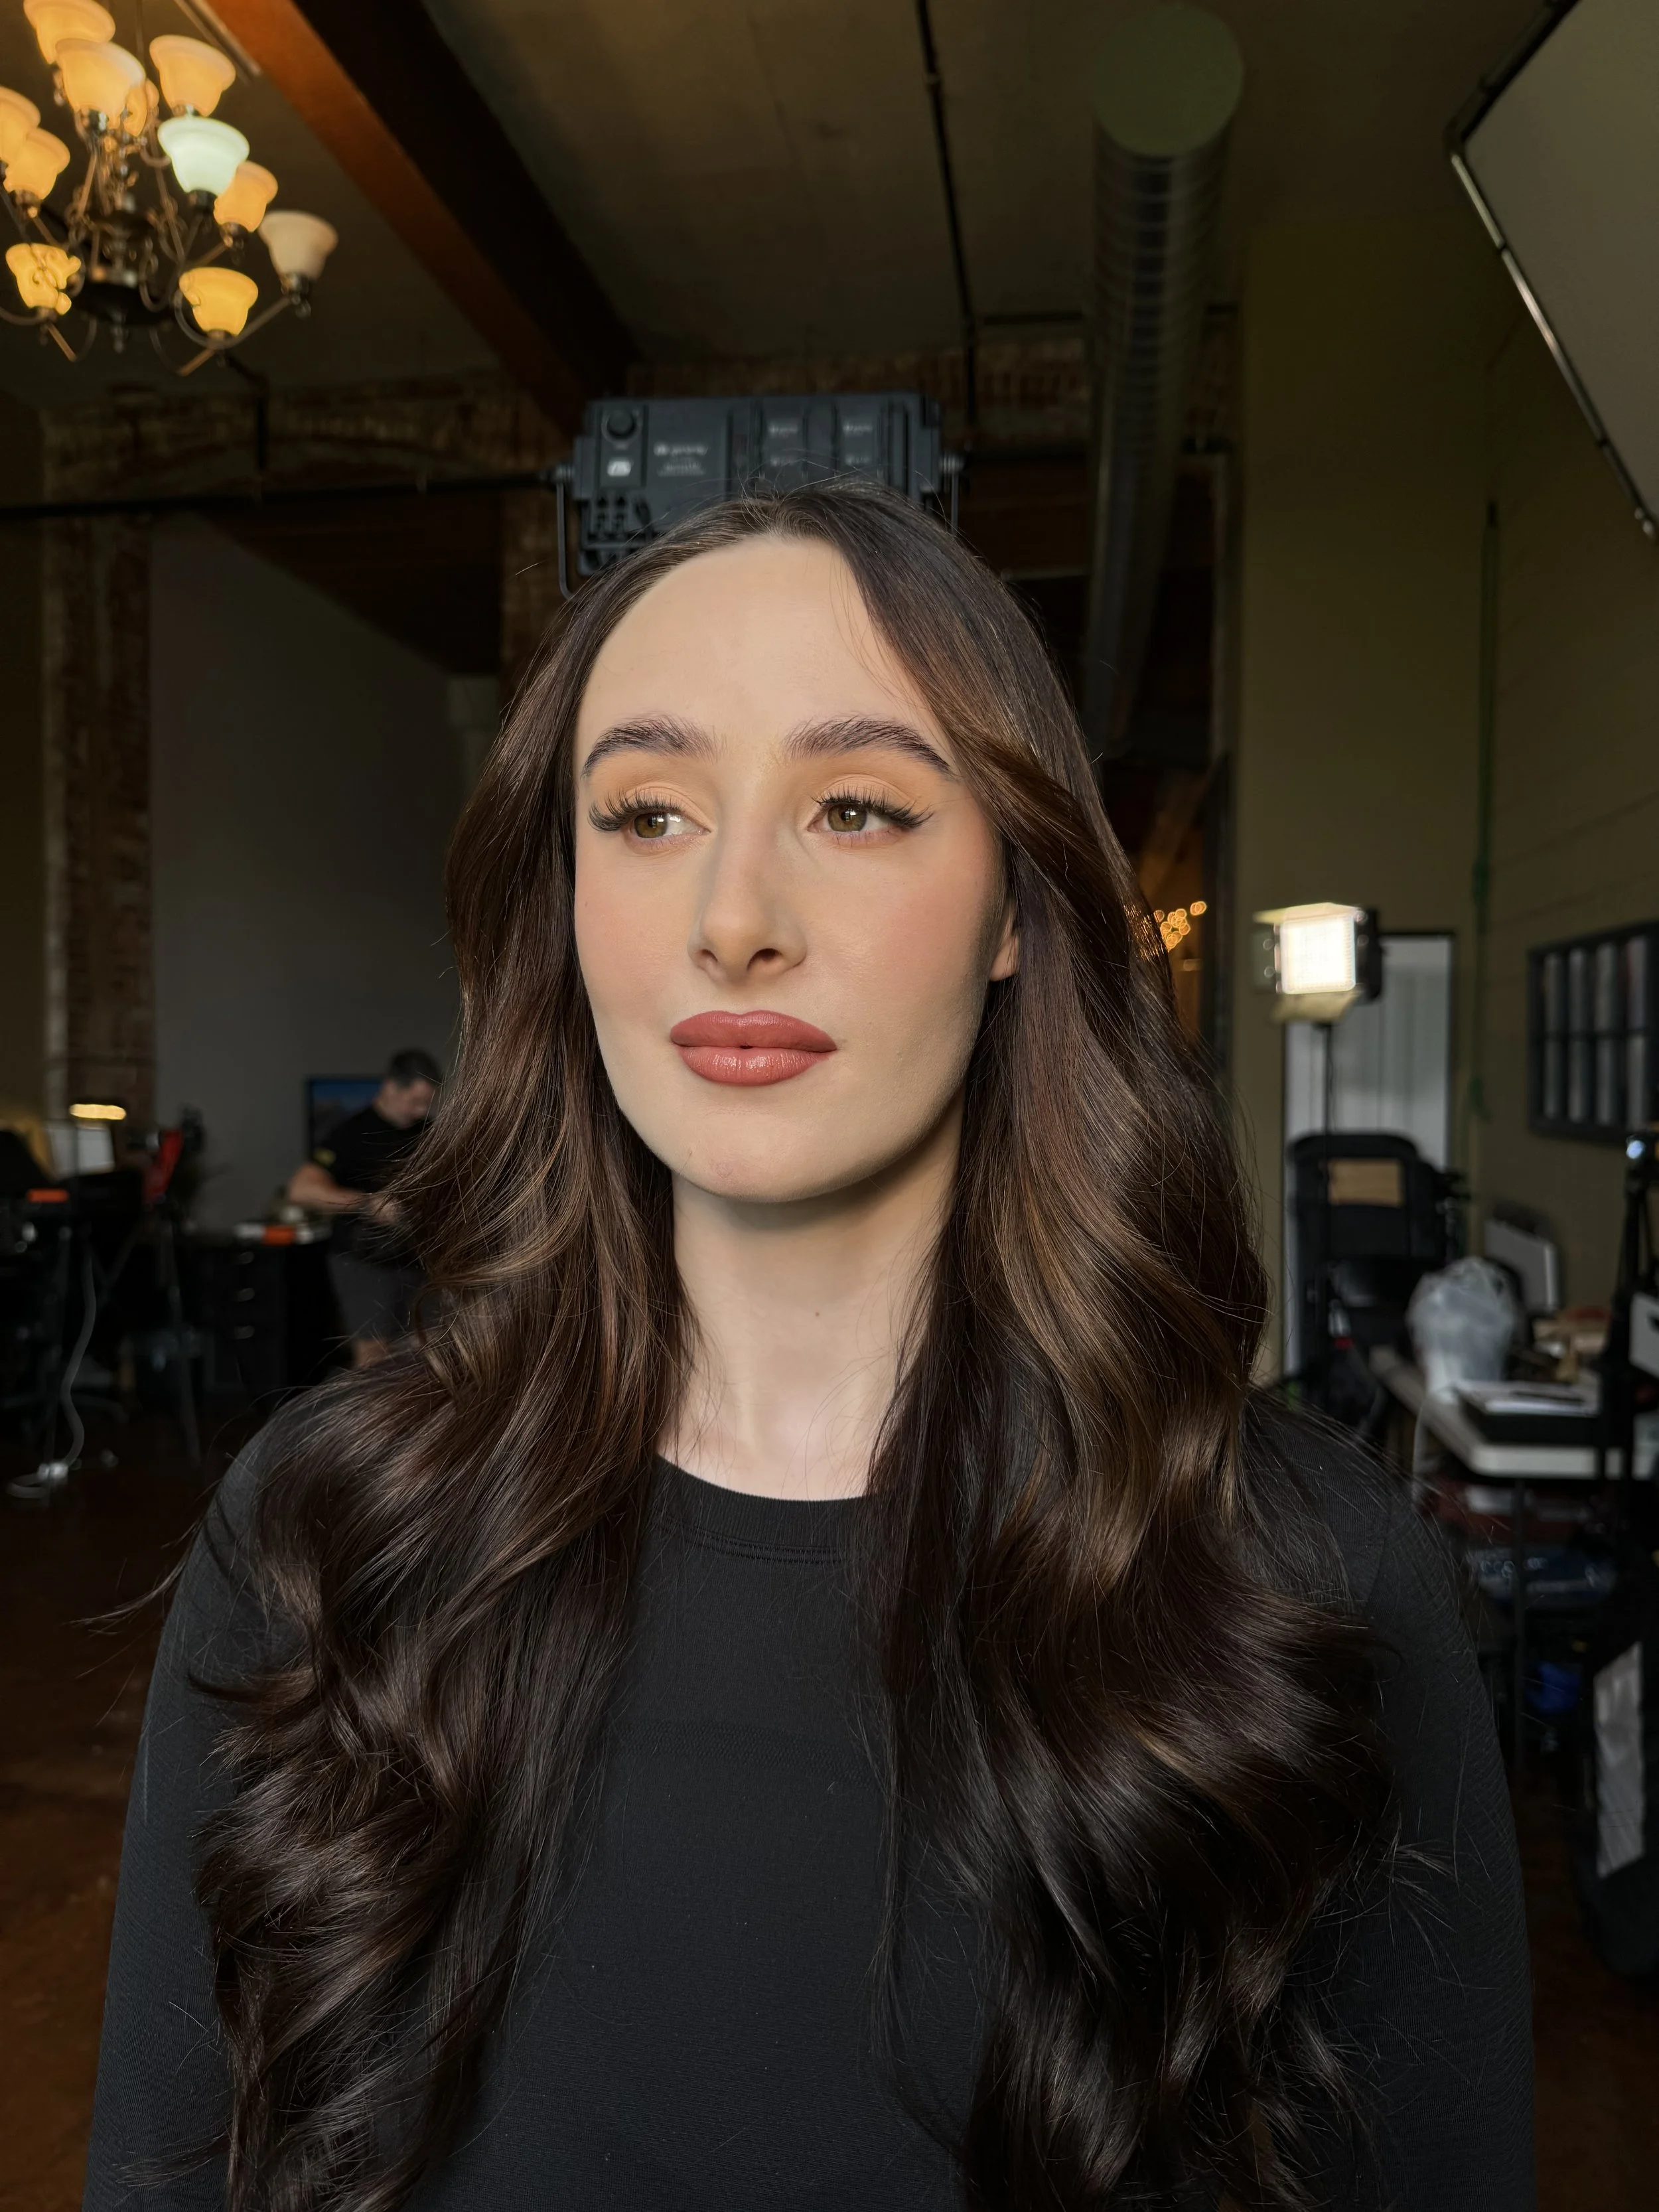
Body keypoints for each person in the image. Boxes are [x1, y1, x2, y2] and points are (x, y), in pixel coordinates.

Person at [85, 482, 1532, 2211]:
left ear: (1013, 907)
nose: (732, 910)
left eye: (851, 805)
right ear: (561, 900)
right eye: (643, 811)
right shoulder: (327, 1533)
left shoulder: (1296, 1574)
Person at [287, 1049, 441, 1366]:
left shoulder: (430, 1133)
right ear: (391, 1088)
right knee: (375, 1356)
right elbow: (301, 1190)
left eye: (427, 1102)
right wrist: (368, 1203)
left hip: (418, 1259)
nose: (421, 1109)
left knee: (424, 1351)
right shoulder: (351, 1134)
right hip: (364, 1260)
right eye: (416, 1101)